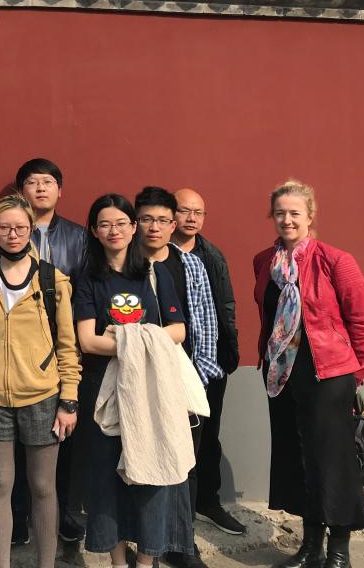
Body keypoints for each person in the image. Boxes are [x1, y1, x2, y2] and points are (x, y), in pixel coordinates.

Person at [254, 180, 364, 568]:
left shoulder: (336, 261)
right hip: (282, 375)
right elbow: (269, 317)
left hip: (329, 374)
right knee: (299, 460)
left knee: (332, 463)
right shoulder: (264, 262)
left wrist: (356, 372)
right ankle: (310, 548)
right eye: (279, 213)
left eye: (294, 213)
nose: (287, 220)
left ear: (310, 216)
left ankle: (339, 553)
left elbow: (361, 322)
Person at [0, 194, 81, 568]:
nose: (13, 234)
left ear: (30, 230)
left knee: (43, 487)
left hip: (43, 397)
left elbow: (68, 346)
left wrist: (69, 399)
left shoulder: (52, 279)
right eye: (5, 227)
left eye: (20, 227)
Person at [74, 194, 192, 568]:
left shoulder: (155, 274)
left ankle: (145, 561)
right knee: (107, 479)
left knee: (152, 474)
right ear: (95, 230)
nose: (114, 231)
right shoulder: (87, 279)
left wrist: (127, 337)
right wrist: (142, 337)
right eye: (105, 224)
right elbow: (87, 341)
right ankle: (117, 561)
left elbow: (178, 330)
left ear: (133, 226)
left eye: (121, 223)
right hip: (102, 391)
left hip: (151, 389)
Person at [134, 186, 222, 568]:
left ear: (173, 225)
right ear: (136, 223)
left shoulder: (190, 265)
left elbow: (205, 324)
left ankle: (182, 544)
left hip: (184, 379)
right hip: (137, 381)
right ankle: (148, 546)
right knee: (144, 465)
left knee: (185, 465)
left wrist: (198, 380)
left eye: (162, 220)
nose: (154, 227)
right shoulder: (125, 263)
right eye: (146, 219)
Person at [14, 158, 89, 546]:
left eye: (48, 182)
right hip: (17, 354)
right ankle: (18, 515)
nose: (41, 188)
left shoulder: (78, 238)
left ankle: (63, 513)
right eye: (32, 182)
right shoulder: (8, 233)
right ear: (21, 191)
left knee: (63, 435)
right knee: (15, 439)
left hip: (64, 350)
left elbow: (86, 293)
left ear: (60, 189)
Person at [172, 188, 244, 537]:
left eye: (198, 212)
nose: (191, 218)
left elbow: (226, 302)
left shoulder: (211, 254)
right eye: (184, 211)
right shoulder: (157, 253)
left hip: (210, 360)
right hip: (176, 361)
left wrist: (229, 350)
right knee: (180, 438)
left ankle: (207, 502)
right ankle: (178, 515)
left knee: (209, 436)